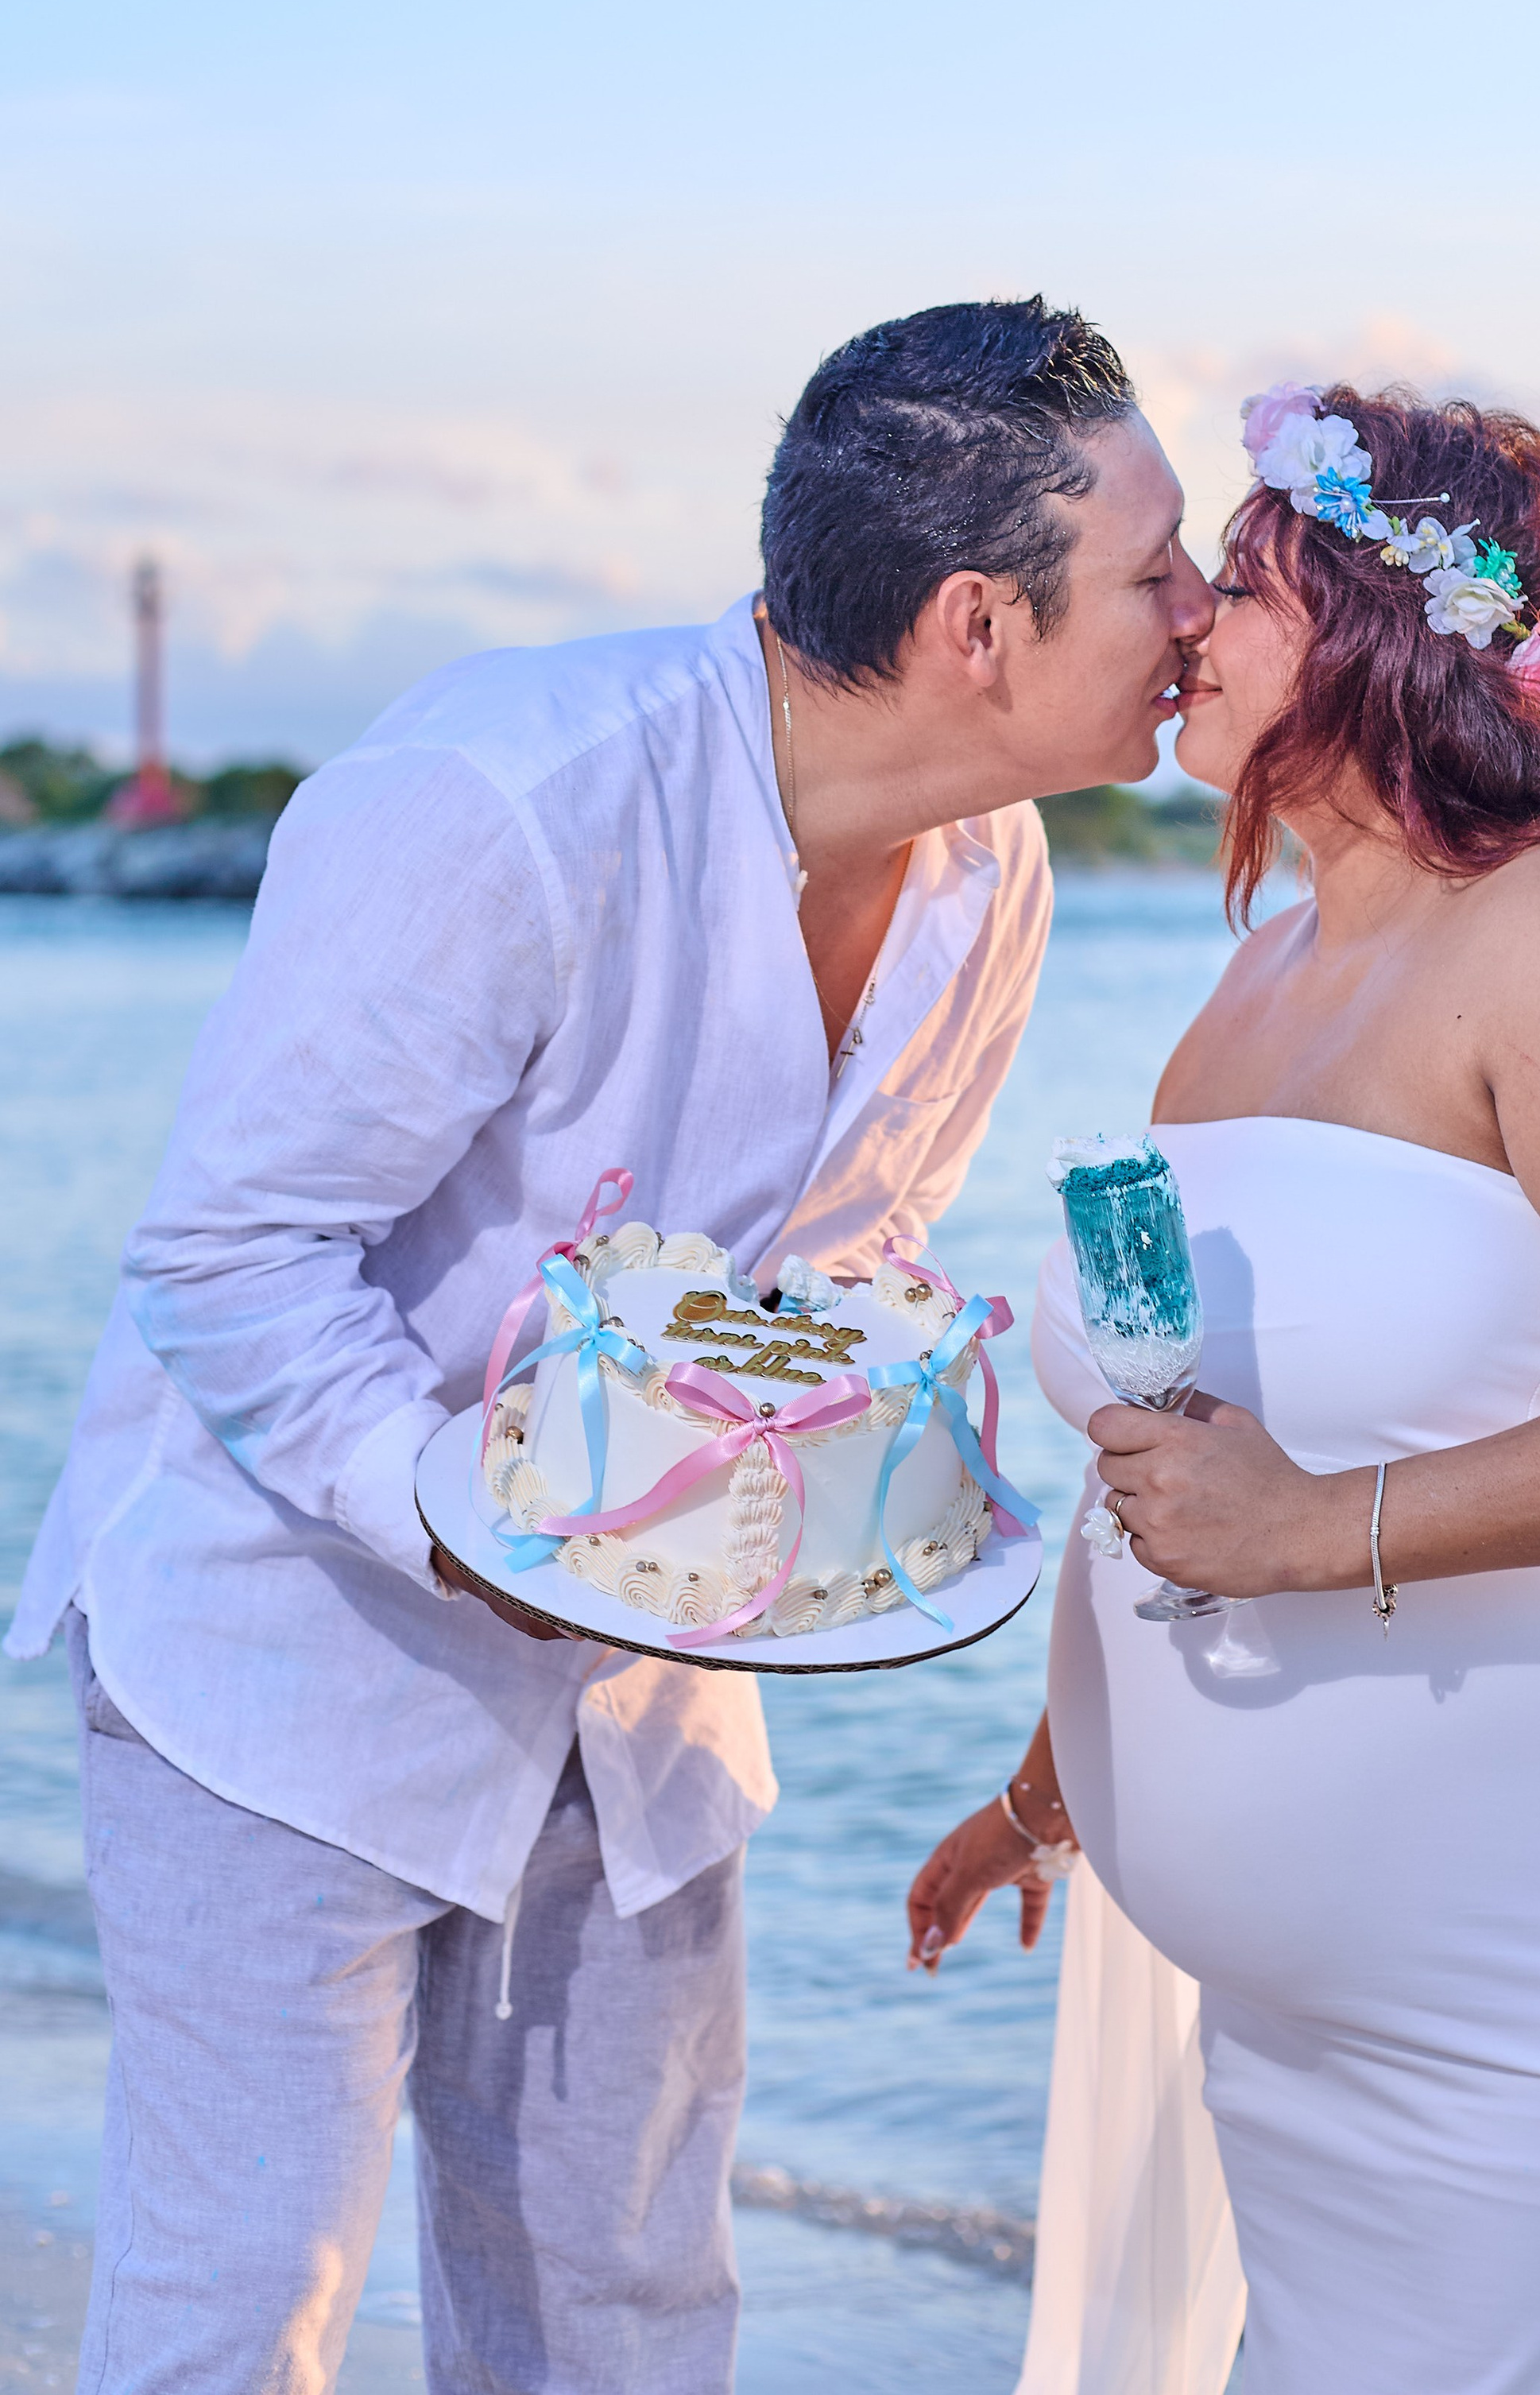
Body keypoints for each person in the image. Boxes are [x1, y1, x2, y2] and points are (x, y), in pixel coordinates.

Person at [6, 296, 1214, 2395]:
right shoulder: (505, 796)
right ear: (974, 626)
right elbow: (231, 1250)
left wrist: (902, 1490)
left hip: (646, 1675)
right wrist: (465, 1517)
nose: (1204, 606)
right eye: (1157, 566)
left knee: (630, 2313)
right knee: (238, 2311)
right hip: (288, 1654)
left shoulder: (993, 873)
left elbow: (849, 1250)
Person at [909, 381, 1540, 2395]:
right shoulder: (1249, 982)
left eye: (1229, 589)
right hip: (1298, 2015)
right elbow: (1168, 1438)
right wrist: (1052, 1783)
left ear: (1369, 625)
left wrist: (1317, 1535)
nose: (1177, 628)